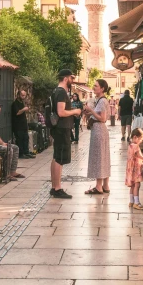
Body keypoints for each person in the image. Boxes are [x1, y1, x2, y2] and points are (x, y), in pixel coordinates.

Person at [50, 68, 82, 199]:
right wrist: (75, 112)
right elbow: (61, 112)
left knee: (56, 157)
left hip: (58, 128)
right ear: (65, 78)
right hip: (62, 128)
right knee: (60, 158)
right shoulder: (62, 92)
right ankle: (57, 188)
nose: (72, 80)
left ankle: (54, 187)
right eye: (71, 78)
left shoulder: (55, 91)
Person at [84, 78, 111, 195]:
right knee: (104, 157)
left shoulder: (102, 101)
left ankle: (99, 186)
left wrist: (91, 110)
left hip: (99, 129)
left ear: (102, 88)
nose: (94, 88)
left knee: (99, 157)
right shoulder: (100, 100)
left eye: (96, 86)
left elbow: (102, 118)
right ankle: (105, 185)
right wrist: (89, 112)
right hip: (100, 130)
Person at [125, 127, 143, 210]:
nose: (140, 142)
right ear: (135, 137)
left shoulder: (130, 145)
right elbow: (140, 156)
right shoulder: (135, 146)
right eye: (140, 140)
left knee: (132, 185)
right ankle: (137, 203)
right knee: (137, 185)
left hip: (130, 169)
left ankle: (131, 201)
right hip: (135, 169)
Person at [11, 87, 35, 159]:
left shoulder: (22, 103)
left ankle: (26, 152)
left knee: (26, 139)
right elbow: (17, 113)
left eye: (24, 95)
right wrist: (24, 109)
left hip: (24, 125)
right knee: (20, 140)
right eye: (22, 95)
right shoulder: (15, 103)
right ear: (18, 95)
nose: (23, 97)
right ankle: (21, 154)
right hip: (18, 126)